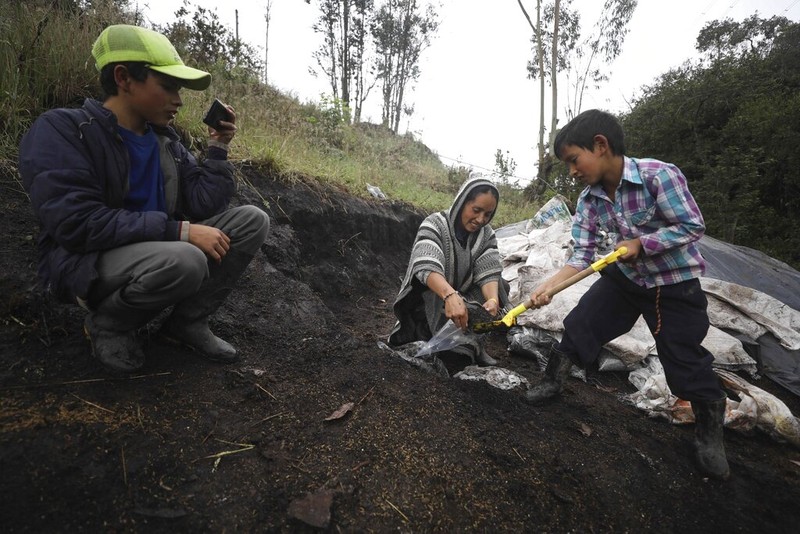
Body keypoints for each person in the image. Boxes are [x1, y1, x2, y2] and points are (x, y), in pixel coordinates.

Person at [18, 24, 270, 374]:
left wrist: (218, 149)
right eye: (168, 86)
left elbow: (201, 202)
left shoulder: (165, 141)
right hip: (89, 263)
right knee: (186, 260)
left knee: (252, 220)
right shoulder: (64, 130)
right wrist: (179, 232)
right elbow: (75, 223)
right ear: (124, 78)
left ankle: (186, 325)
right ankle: (109, 324)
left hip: (157, 250)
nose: (178, 100)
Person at [524, 109, 729, 479]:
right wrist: (549, 287)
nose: (572, 171)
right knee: (581, 323)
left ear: (600, 145)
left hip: (673, 286)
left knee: (682, 359)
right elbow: (583, 256)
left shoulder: (657, 176)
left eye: (573, 160)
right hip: (623, 279)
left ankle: (710, 431)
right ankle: (553, 380)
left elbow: (691, 224)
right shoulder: (589, 200)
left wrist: (643, 243)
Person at [388, 174, 508, 366]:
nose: (480, 219)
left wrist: (492, 300)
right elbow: (427, 263)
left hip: (461, 296)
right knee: (444, 352)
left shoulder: (486, 235)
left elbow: (489, 268)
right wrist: (450, 295)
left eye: (487, 214)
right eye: (476, 210)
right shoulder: (435, 224)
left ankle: (474, 344)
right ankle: (430, 334)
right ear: (462, 202)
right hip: (433, 296)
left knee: (500, 286)